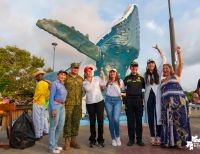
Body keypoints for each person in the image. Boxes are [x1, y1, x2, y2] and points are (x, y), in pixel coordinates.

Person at [160, 46, 191, 148]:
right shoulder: (162, 81)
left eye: (166, 68)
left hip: (179, 104)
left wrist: (179, 53)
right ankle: (170, 142)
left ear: (170, 69)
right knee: (169, 123)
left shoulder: (176, 75)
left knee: (180, 123)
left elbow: (181, 64)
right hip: (167, 105)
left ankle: (181, 142)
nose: (165, 69)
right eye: (163, 68)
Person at [144, 45, 166, 145]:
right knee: (151, 116)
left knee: (158, 116)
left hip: (158, 97)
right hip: (149, 98)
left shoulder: (159, 72)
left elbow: (164, 59)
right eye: (149, 63)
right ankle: (152, 136)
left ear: (154, 64)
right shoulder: (145, 75)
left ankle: (159, 136)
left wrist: (159, 49)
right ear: (147, 65)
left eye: (152, 63)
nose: (151, 65)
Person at [82, 66, 106, 148]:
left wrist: (103, 75)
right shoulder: (83, 82)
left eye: (90, 71)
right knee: (92, 122)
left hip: (99, 102)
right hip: (89, 103)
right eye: (88, 71)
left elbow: (103, 84)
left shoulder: (97, 78)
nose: (89, 72)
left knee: (100, 121)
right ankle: (92, 140)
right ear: (85, 73)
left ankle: (100, 140)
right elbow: (82, 94)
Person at [124, 61, 145, 146]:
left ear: (137, 68)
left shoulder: (141, 78)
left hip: (138, 100)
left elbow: (144, 89)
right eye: (132, 66)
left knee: (139, 121)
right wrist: (125, 102)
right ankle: (131, 139)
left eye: (135, 66)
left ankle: (139, 139)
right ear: (130, 68)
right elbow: (123, 90)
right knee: (130, 121)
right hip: (129, 101)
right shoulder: (126, 78)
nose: (134, 68)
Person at [63, 63, 83, 150]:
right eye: (74, 68)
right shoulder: (66, 78)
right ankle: (67, 142)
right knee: (68, 122)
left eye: (77, 68)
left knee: (76, 122)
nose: (75, 69)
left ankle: (73, 141)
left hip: (78, 103)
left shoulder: (80, 78)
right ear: (71, 68)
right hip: (68, 104)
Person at [48, 70, 68, 154]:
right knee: (53, 126)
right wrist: (53, 109)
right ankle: (51, 147)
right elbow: (51, 97)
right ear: (58, 75)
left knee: (60, 125)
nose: (63, 76)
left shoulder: (63, 85)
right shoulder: (54, 84)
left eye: (64, 75)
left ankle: (55, 144)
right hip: (55, 105)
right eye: (61, 75)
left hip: (62, 106)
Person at [104, 69, 124, 147]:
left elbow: (123, 90)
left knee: (116, 119)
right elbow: (103, 89)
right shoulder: (107, 81)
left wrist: (120, 94)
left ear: (116, 73)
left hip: (117, 101)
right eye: (111, 72)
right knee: (111, 120)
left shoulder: (120, 81)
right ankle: (113, 138)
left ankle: (118, 137)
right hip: (108, 100)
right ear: (110, 74)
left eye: (114, 72)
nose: (112, 73)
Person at [32, 70, 50, 140]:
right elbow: (47, 94)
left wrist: (34, 98)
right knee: (42, 118)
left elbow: (39, 93)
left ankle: (37, 135)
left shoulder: (39, 84)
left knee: (36, 119)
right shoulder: (46, 83)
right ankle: (40, 133)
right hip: (43, 103)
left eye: (36, 76)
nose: (36, 78)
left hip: (37, 102)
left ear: (38, 76)